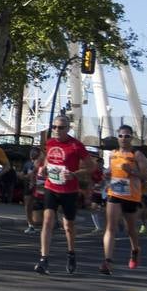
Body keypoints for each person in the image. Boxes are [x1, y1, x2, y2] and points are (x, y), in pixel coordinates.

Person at [35, 116, 91, 275]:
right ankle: (43, 259)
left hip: (69, 191)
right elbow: (48, 158)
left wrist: (74, 174)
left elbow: (91, 168)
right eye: (54, 127)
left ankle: (71, 253)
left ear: (68, 128)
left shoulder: (76, 146)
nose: (57, 130)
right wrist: (44, 168)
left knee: (68, 226)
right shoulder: (51, 142)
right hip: (51, 187)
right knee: (47, 221)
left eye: (61, 127)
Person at [102, 125, 147, 273]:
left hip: (132, 196)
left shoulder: (137, 155)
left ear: (132, 138)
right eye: (121, 136)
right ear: (117, 137)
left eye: (127, 136)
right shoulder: (113, 154)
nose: (124, 138)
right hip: (115, 193)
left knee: (131, 229)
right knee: (111, 227)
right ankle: (107, 261)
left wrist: (132, 171)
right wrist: (107, 174)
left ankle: (135, 249)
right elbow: (111, 170)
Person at [21, 146, 43, 234]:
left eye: (35, 152)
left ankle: (49, 223)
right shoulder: (27, 163)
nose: (32, 154)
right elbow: (23, 173)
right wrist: (21, 176)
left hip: (40, 187)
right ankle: (30, 225)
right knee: (28, 206)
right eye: (31, 152)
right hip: (28, 186)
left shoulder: (42, 164)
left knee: (43, 206)